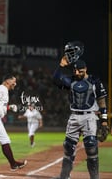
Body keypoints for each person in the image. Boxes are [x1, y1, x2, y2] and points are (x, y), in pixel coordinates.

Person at [52, 41, 108, 179]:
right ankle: (64, 176)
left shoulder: (95, 81)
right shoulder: (71, 81)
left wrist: (104, 120)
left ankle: (95, 178)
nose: (77, 72)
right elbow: (55, 80)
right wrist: (61, 66)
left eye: (80, 70)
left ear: (85, 69)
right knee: (68, 147)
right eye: (75, 70)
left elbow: (102, 101)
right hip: (74, 117)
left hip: (89, 117)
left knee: (91, 146)